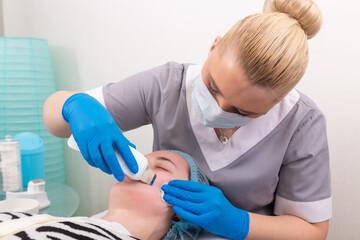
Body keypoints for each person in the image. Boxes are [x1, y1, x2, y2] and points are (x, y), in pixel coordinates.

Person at [43, 0, 332, 239]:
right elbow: (54, 119)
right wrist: (73, 105)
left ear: (278, 102)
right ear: (213, 47)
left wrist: (239, 222)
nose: (219, 109)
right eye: (213, 87)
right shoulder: (166, 85)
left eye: (244, 112)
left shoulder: (302, 123)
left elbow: (312, 231)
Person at [0, 150, 209, 240]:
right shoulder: (37, 220)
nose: (136, 167)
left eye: (161, 165)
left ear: (179, 213)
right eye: (139, 160)